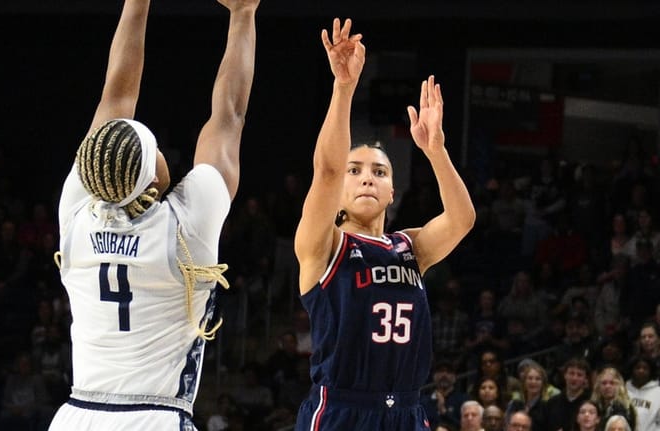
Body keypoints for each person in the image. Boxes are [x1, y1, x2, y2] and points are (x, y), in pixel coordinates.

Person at [47, 0, 259, 429]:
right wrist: (243, 15)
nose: (164, 154)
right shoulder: (187, 229)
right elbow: (229, 115)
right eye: (157, 151)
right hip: (154, 416)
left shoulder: (76, 211)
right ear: (152, 177)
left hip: (76, 414)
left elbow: (116, 96)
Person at [293, 18, 475, 431]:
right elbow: (325, 170)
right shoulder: (324, 245)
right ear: (340, 189)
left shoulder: (409, 247)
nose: (367, 177)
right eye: (354, 170)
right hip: (341, 409)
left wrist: (436, 150)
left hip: (408, 410)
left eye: (379, 171)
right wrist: (343, 89)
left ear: (393, 191)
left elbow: (462, 220)